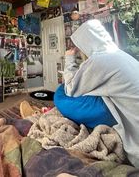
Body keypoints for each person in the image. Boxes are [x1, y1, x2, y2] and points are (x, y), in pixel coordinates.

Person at [54, 19, 139, 168]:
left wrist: (69, 59)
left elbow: (70, 90)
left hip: (122, 119)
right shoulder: (119, 54)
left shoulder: (100, 58)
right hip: (127, 111)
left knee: (60, 94)